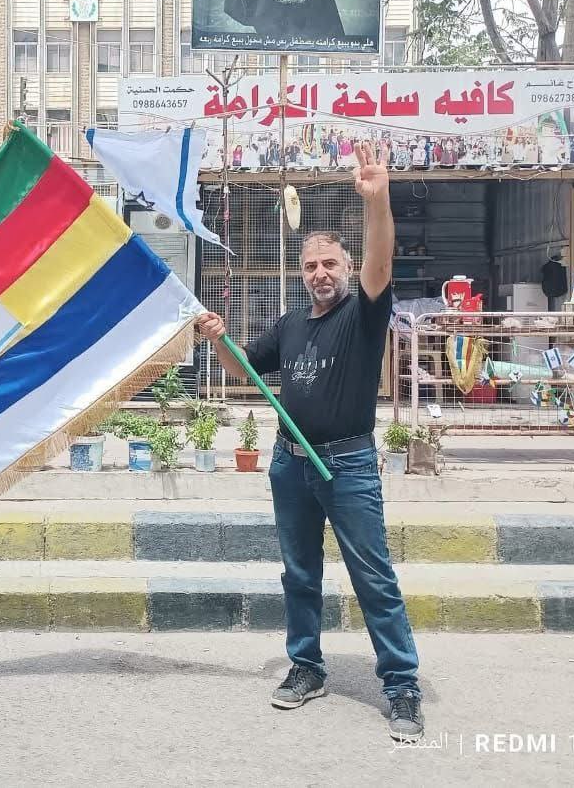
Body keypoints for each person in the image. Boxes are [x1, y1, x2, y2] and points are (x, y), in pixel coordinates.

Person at [194, 142, 424, 744]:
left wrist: (379, 201)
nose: (320, 273)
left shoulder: (364, 313)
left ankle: (401, 687)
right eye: (311, 265)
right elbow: (245, 369)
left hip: (346, 466)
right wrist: (219, 339)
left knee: (372, 577)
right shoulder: (294, 323)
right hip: (289, 463)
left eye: (329, 263)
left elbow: (381, 257)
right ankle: (306, 667)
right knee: (299, 573)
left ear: (345, 269)